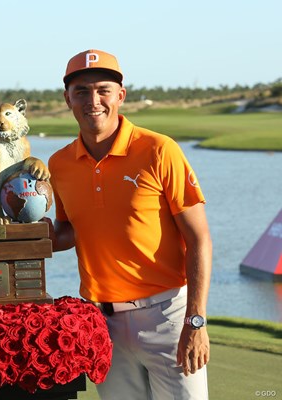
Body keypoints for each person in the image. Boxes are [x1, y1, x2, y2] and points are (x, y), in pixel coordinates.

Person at [48, 49, 212, 399]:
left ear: (120, 95)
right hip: (104, 325)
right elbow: (69, 231)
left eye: (103, 90)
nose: (94, 100)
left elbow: (199, 239)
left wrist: (195, 321)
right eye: (81, 91)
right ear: (67, 99)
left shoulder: (158, 149)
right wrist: (11, 235)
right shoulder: (58, 164)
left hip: (167, 316)